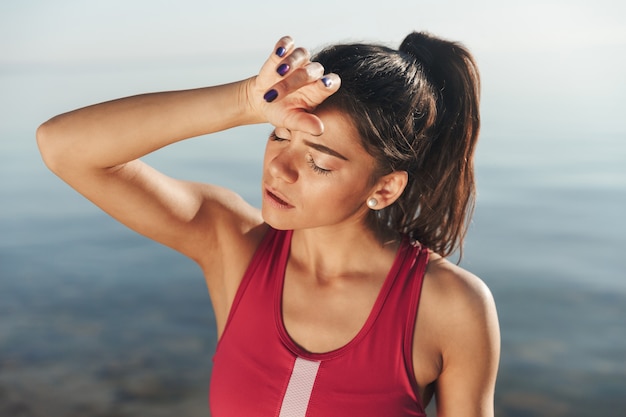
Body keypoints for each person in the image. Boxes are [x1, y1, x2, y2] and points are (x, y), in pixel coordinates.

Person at [37, 32, 500, 416]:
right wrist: (243, 101)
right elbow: (61, 146)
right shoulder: (231, 244)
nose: (280, 169)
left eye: (319, 162)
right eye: (278, 134)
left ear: (384, 189)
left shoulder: (450, 307)